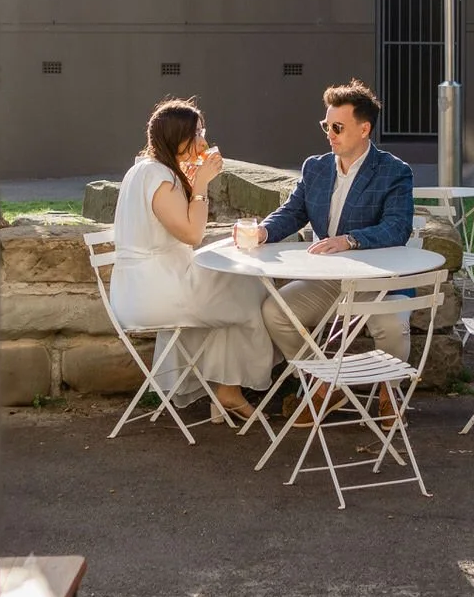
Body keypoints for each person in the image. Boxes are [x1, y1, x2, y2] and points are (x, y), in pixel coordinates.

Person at [236, 80, 415, 404]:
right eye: (326, 125)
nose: (329, 133)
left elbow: (398, 227)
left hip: (379, 277)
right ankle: (323, 385)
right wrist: (263, 231)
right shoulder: (315, 167)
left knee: (391, 325)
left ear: (364, 129)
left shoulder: (394, 172)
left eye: (337, 126)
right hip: (329, 278)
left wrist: (350, 240)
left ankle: (390, 392)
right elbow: (293, 211)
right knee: (277, 312)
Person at [110, 99, 273, 421]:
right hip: (153, 291)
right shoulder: (160, 176)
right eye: (196, 132)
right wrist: (201, 185)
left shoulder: (144, 169)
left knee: (237, 291)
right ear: (176, 138)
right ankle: (229, 389)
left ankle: (228, 392)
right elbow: (192, 235)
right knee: (249, 294)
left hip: (142, 285)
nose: (203, 140)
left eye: (203, 131)